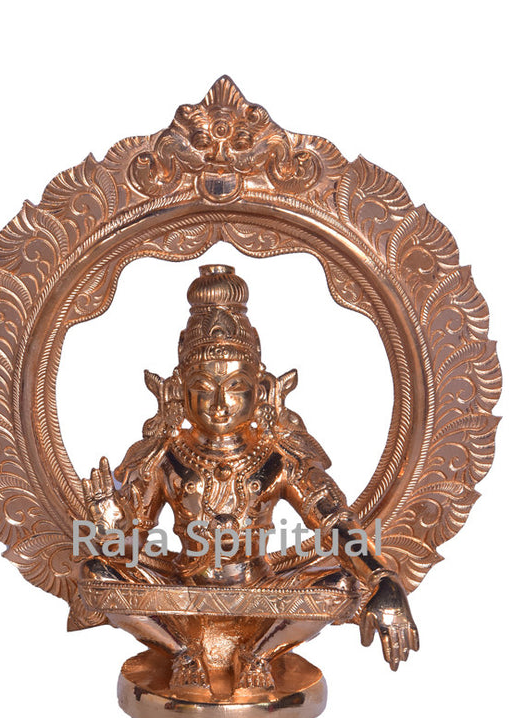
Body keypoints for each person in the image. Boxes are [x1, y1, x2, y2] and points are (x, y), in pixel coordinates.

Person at [80, 264, 418, 689]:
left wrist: (382, 577)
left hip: (261, 598)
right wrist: (110, 529)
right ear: (179, 390)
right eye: (204, 387)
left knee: (345, 582)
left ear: (261, 390)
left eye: (236, 386)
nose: (220, 404)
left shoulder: (279, 457)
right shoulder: (165, 458)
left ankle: (258, 655)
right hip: (183, 598)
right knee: (96, 573)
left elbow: (334, 523)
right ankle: (181, 652)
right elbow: (132, 546)